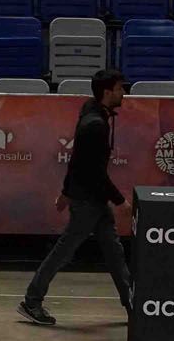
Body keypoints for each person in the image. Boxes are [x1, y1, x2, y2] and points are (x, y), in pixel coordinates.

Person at [17, 68, 134, 327]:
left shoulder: (94, 114)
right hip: (88, 202)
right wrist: (120, 201)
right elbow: (92, 171)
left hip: (90, 199)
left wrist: (65, 193)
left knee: (114, 251)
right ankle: (32, 300)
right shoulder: (94, 125)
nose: (123, 92)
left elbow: (77, 161)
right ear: (107, 92)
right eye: (119, 88)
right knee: (64, 251)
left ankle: (131, 302)